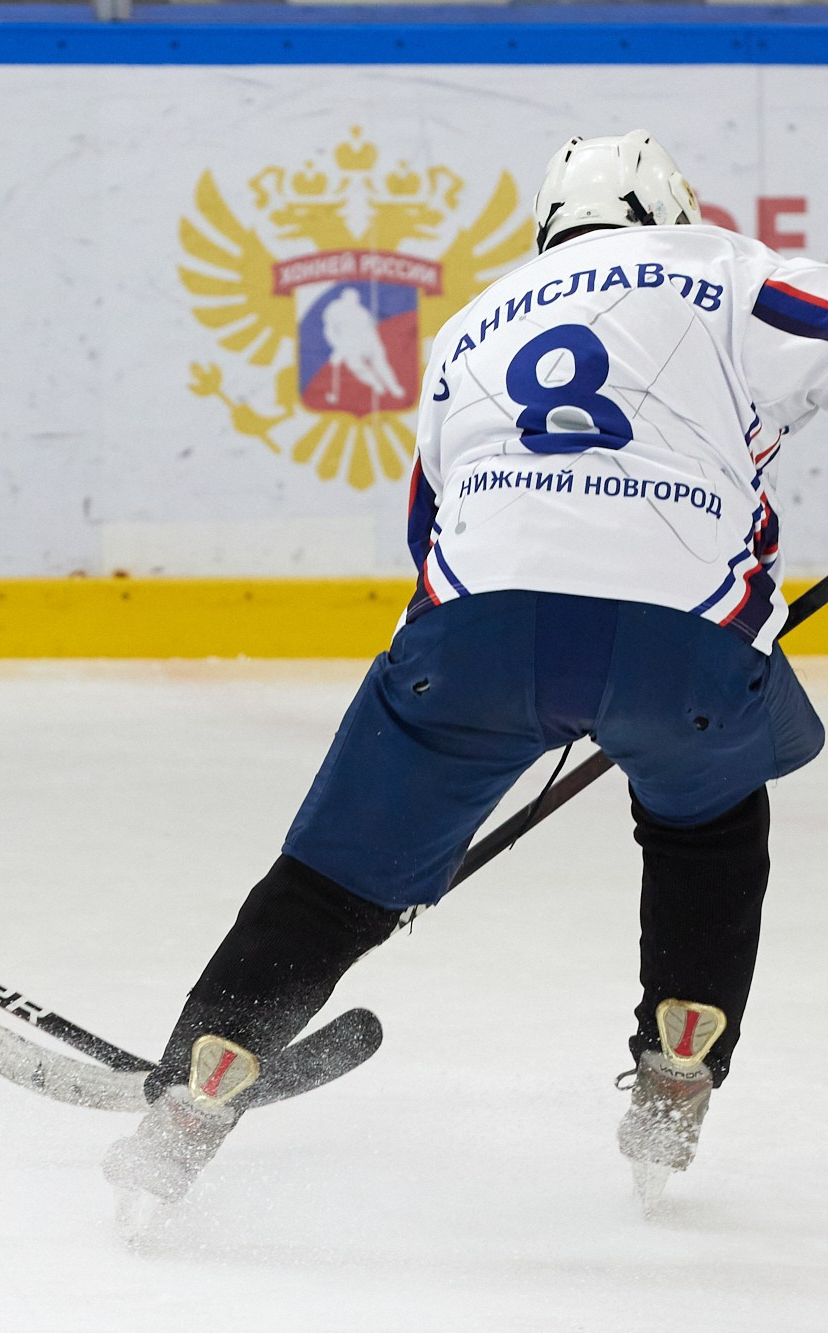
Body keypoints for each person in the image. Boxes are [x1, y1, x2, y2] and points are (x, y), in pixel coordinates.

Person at [106, 130, 828, 1220]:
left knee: (331, 885)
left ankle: (203, 1076)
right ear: (667, 212)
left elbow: (431, 531)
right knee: (706, 818)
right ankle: (681, 1048)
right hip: (682, 643)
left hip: (476, 635)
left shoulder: (471, 322)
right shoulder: (721, 267)